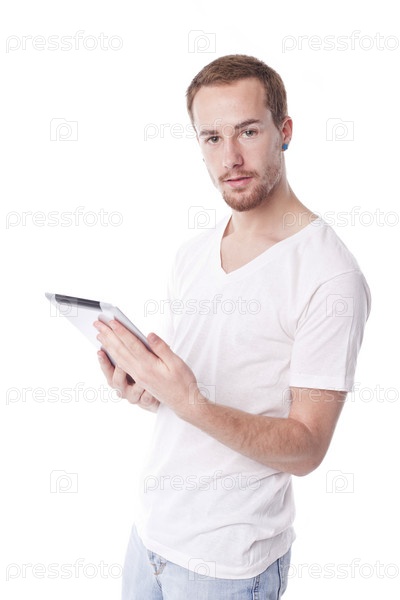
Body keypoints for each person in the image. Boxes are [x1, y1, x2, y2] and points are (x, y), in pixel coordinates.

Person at [94, 54, 371, 599]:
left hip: (228, 567)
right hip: (149, 538)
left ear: (284, 131)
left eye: (248, 131)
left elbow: (308, 448)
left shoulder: (330, 275)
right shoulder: (192, 254)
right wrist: (149, 392)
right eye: (212, 138)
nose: (231, 158)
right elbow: (199, 397)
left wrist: (189, 402)